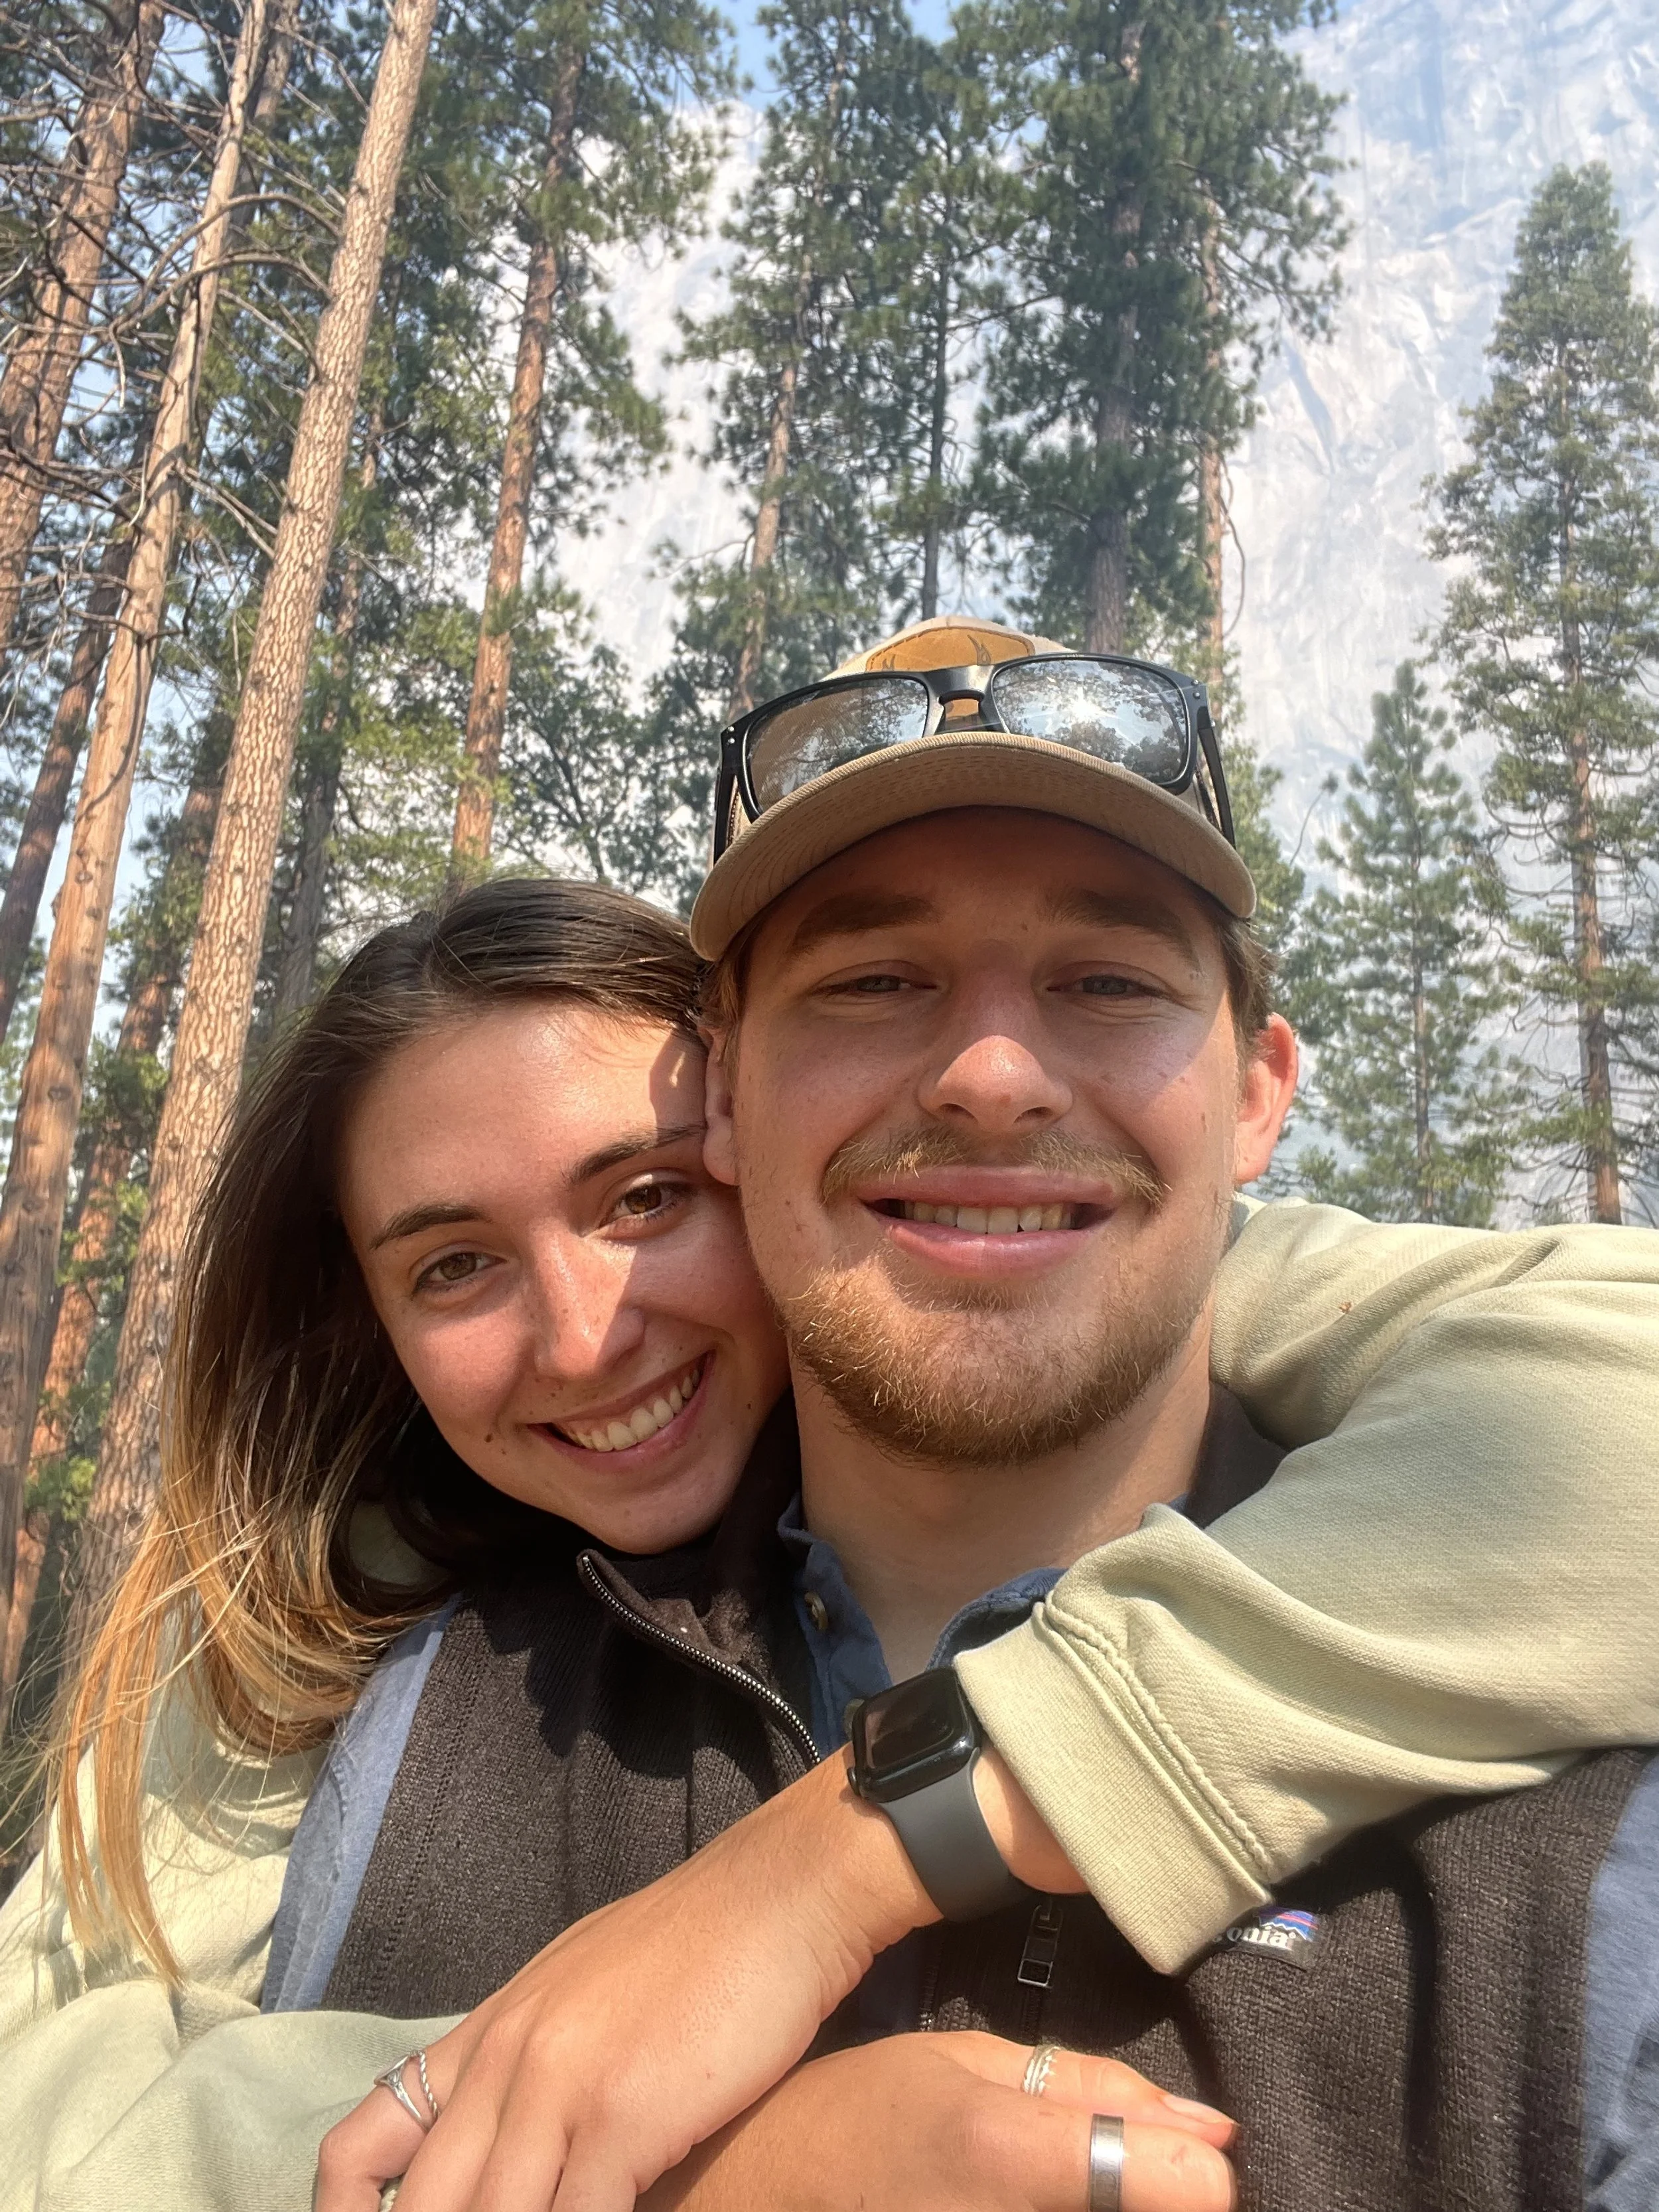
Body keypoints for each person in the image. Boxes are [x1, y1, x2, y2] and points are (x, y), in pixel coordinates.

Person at [0, 630, 1653, 2210]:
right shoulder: (352, 1690)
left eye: (1103, 976)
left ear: (1253, 1098)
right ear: (728, 1091)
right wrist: (639, 2149)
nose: (992, 1075)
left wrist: (839, 1856)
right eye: (870, 978)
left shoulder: (1581, 1854)